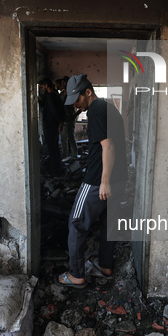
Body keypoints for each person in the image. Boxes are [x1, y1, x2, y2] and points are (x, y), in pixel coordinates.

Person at [56, 74, 127, 288]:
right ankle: (105, 265)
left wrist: (103, 181)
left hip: (98, 179)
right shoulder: (110, 108)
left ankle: (76, 274)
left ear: (88, 92)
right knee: (109, 223)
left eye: (77, 99)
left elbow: (109, 147)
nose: (76, 105)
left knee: (76, 223)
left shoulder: (95, 110)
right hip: (120, 178)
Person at [38, 75, 64, 176]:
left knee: (52, 149)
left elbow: (54, 111)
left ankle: (55, 171)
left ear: (47, 85)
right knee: (55, 147)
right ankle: (58, 168)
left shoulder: (50, 96)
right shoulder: (54, 94)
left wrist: (59, 122)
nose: (42, 89)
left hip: (50, 125)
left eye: (42, 87)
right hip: (54, 125)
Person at [57, 76, 78, 159]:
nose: (63, 84)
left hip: (69, 119)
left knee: (71, 137)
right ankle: (65, 154)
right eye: (62, 83)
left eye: (64, 82)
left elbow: (79, 105)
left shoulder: (72, 93)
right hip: (62, 119)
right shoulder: (62, 94)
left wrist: (75, 115)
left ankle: (74, 154)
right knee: (63, 138)